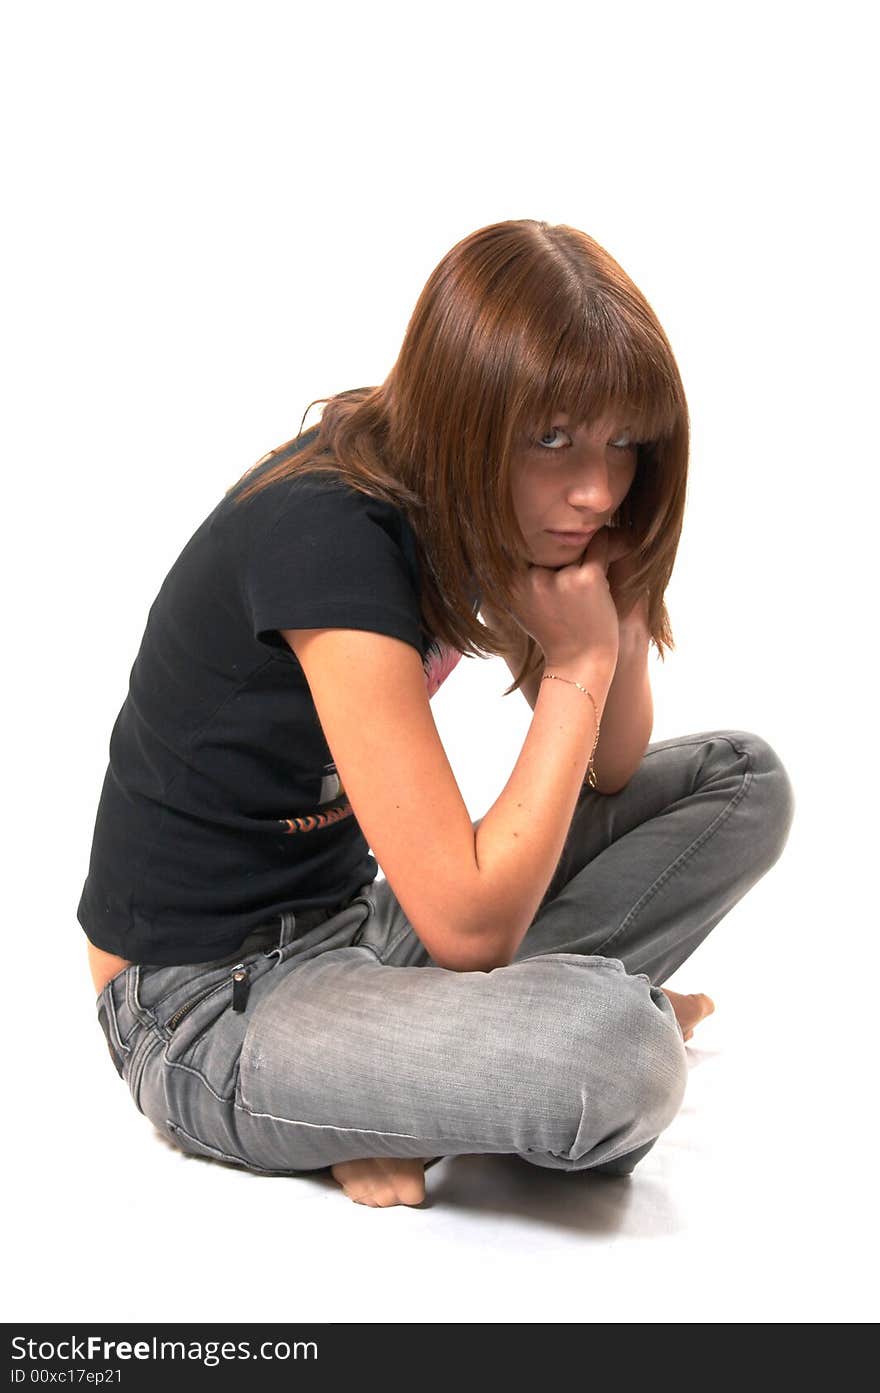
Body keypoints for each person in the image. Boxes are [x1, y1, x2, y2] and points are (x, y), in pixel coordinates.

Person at [81, 218, 795, 1208]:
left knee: (742, 781)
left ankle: (436, 1072)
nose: (596, 489)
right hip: (198, 1003)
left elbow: (614, 767)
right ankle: (454, 1069)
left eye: (623, 443)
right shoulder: (329, 537)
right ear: (468, 413)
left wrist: (618, 608)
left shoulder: (465, 492)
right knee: (619, 1050)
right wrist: (577, 661)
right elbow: (467, 927)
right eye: (551, 438)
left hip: (361, 927)